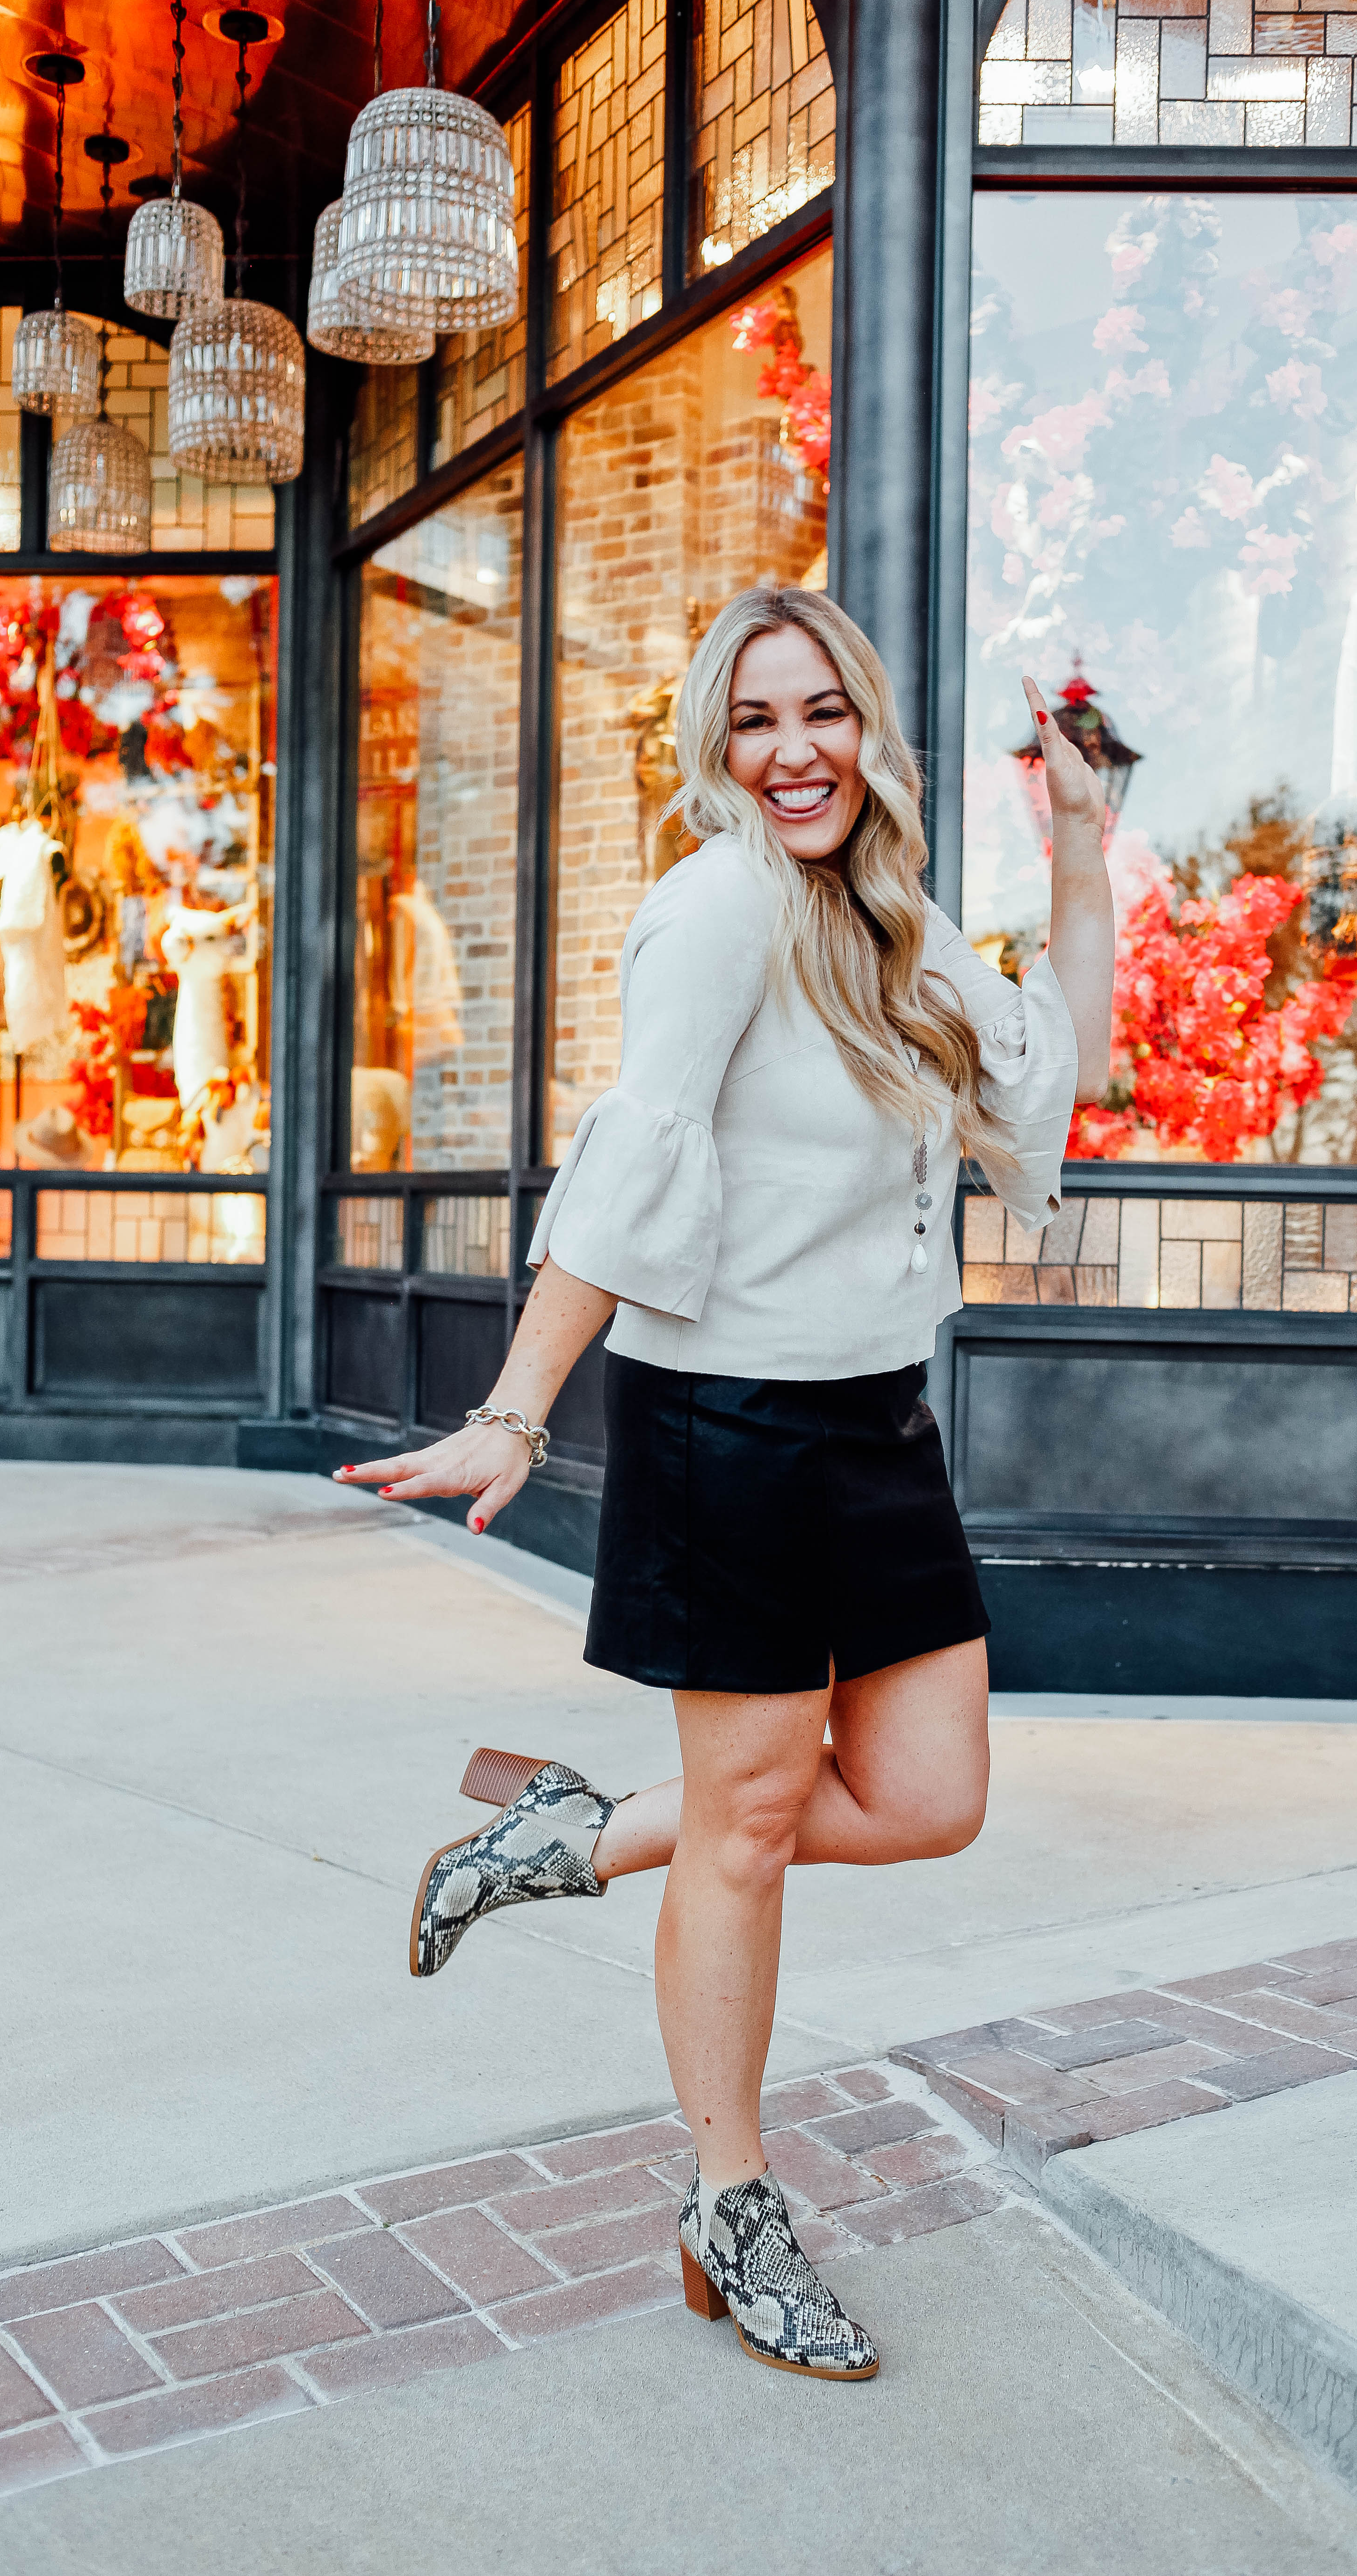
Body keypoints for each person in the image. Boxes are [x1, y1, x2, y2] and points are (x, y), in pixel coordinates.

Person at [335, 589, 1114, 2381]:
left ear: (873, 736)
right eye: (756, 720)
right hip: (729, 1434)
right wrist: (519, 1415)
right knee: (751, 1830)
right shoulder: (717, 910)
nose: (793, 753)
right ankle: (730, 2199)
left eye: (824, 714)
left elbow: (1051, 1062)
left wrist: (1080, 845)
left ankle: (574, 1837)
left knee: (932, 1797)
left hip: (874, 1431)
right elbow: (632, 1170)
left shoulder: (897, 928)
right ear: (717, 744)